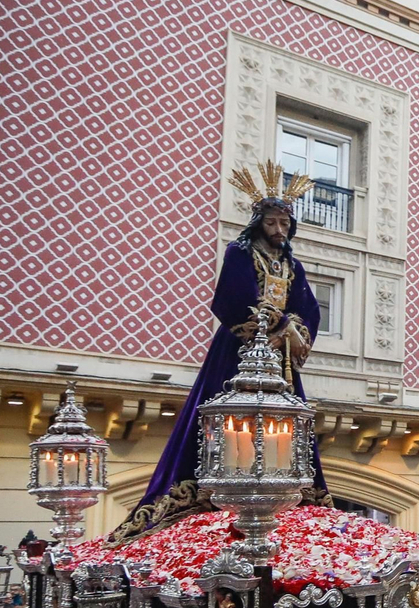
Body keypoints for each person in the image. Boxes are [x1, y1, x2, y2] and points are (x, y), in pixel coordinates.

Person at [114, 161, 326, 541]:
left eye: (284, 224)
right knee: (222, 409)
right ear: (258, 223)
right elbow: (231, 298)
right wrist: (270, 327)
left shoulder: (291, 264)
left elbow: (309, 307)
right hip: (240, 350)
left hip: (279, 360)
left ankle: (290, 491)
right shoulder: (239, 253)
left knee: (288, 418)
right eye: (272, 223)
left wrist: (293, 328)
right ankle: (212, 489)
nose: (279, 230)